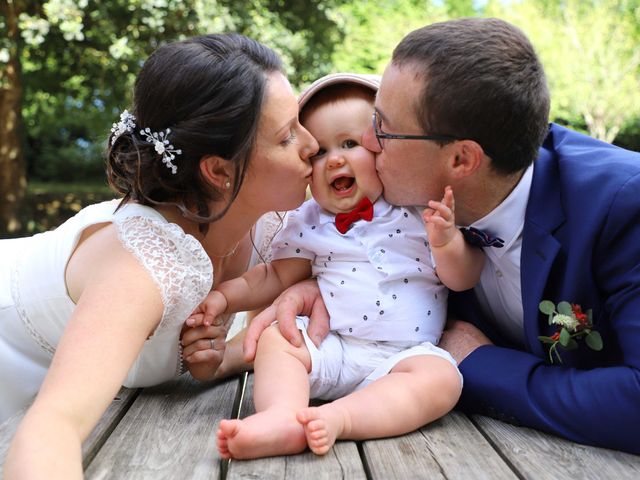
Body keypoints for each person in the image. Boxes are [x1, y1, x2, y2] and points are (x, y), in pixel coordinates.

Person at [243, 18, 640, 455]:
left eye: (383, 126)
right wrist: (317, 285)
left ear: (461, 159)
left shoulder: (623, 206)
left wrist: (480, 364)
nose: (367, 141)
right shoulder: (413, 205)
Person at [1, 33, 318, 478]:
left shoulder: (275, 228)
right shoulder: (142, 269)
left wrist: (230, 354)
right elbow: (54, 424)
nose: (313, 144)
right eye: (287, 137)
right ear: (218, 171)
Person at [185, 73, 483, 459]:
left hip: (403, 356)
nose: (335, 159)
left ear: (382, 150)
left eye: (349, 143)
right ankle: (283, 416)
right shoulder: (307, 219)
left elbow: (463, 278)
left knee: (441, 380)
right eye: (319, 152)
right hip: (331, 347)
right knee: (279, 339)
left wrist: (447, 243)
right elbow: (275, 276)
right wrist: (225, 297)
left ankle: (340, 418)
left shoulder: (417, 210)